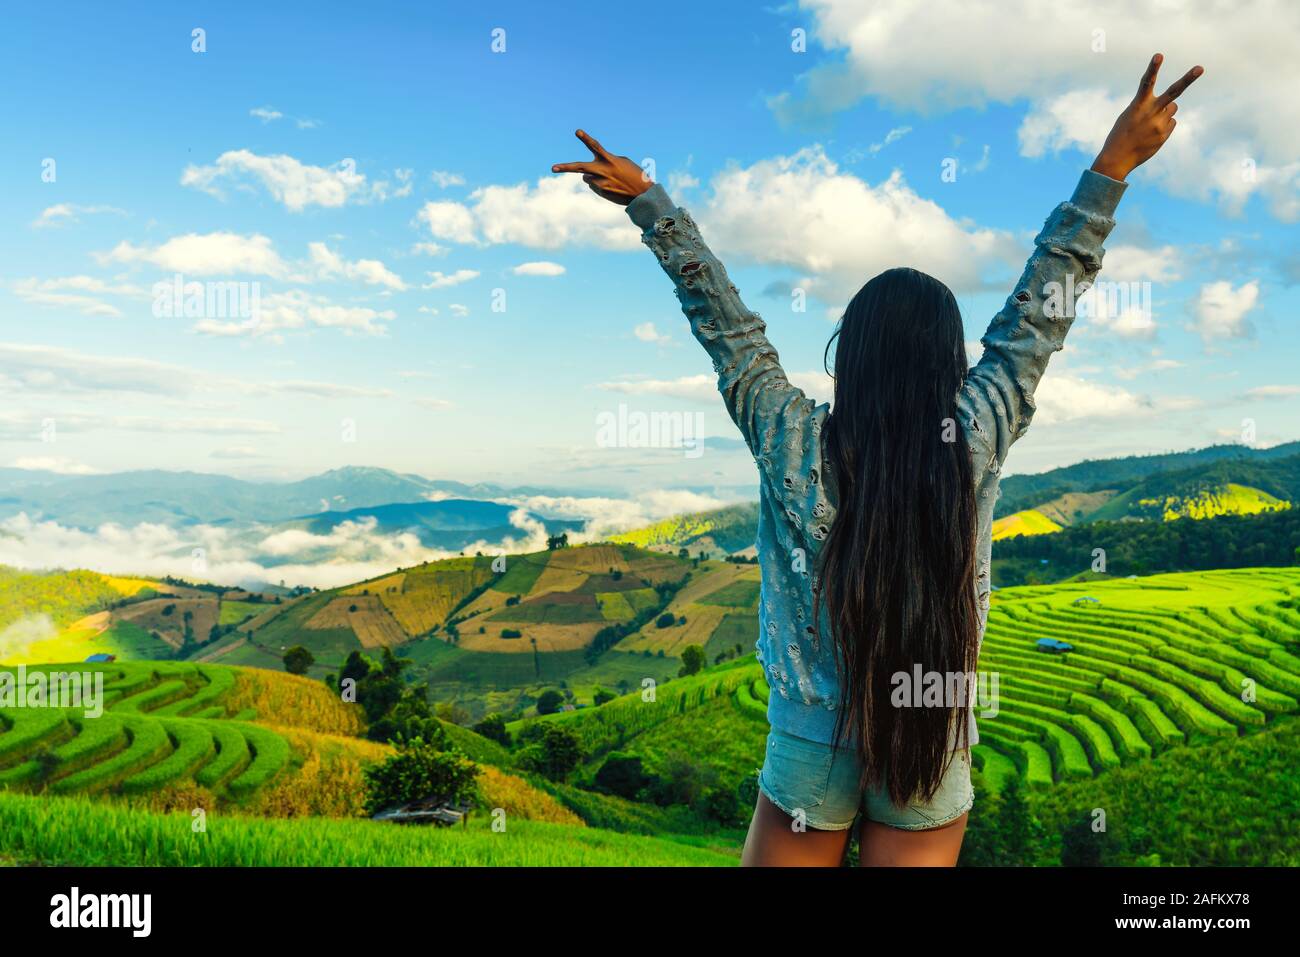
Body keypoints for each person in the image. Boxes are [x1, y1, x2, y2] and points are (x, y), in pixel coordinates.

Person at [553, 53, 1202, 866]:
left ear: (848, 354)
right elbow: (1041, 312)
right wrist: (1112, 166)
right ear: (950, 359)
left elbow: (727, 327)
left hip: (810, 745)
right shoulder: (974, 433)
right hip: (932, 737)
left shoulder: (792, 439)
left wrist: (653, 207)